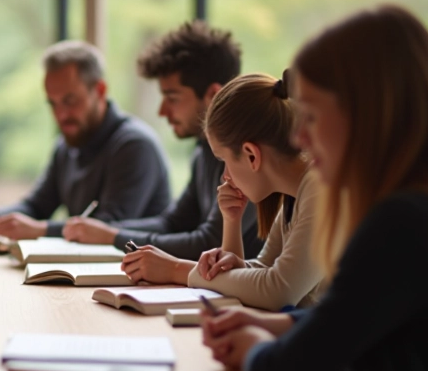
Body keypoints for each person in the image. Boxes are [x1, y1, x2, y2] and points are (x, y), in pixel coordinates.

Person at [201, 5, 428, 371]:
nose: (300, 138)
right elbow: (363, 313)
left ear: (365, 112)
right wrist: (277, 323)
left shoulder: (405, 222)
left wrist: (254, 345)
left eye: (310, 116)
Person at [120, 73, 325, 311]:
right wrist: (231, 221)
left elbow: (278, 290)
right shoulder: (295, 194)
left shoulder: (322, 188)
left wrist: (176, 270)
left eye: (224, 160)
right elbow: (263, 271)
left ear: (251, 154)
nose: (225, 175)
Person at [63, 21, 261, 260]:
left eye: (172, 97)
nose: (162, 111)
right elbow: (173, 223)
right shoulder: (203, 153)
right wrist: (107, 232)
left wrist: (111, 237)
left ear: (212, 95)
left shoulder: (247, 156)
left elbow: (210, 243)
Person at [0, 40, 170, 239]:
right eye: (53, 104)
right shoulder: (67, 144)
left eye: (70, 101)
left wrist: (41, 230)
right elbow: (37, 207)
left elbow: (108, 226)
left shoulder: (134, 146)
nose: (60, 115)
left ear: (100, 90)